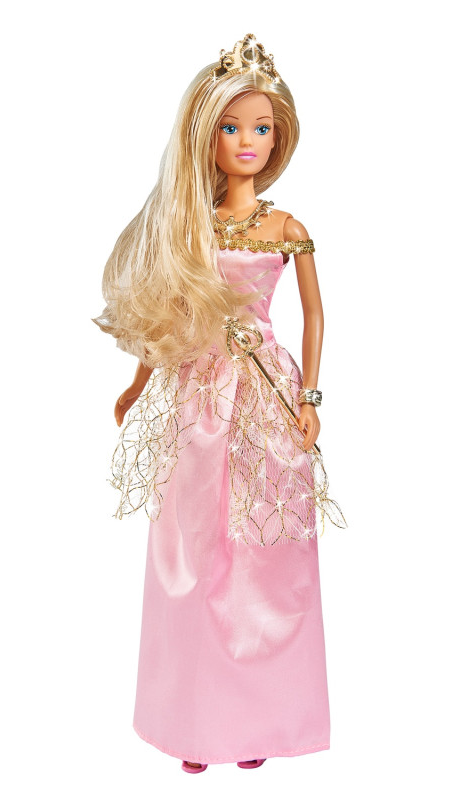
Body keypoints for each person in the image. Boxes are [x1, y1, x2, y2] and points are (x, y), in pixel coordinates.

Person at [93, 33, 345, 774]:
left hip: (264, 398)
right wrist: (139, 380)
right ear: (206, 136)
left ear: (279, 135)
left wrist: (311, 397)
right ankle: (197, 723)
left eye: (261, 127)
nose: (247, 141)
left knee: (267, 554)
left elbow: (315, 316)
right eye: (232, 127)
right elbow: (169, 313)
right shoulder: (190, 225)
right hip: (200, 396)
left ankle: (258, 721)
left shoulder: (288, 228)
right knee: (193, 552)